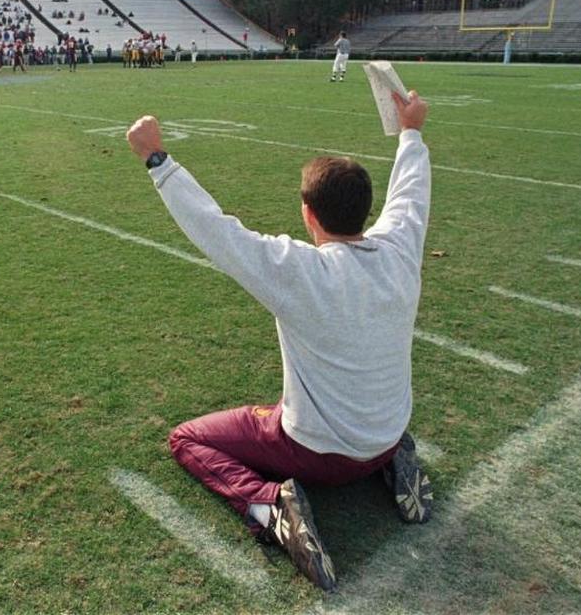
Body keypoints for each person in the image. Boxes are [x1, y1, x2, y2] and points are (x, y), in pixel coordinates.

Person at [124, 90, 433, 593]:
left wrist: (156, 159)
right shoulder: (401, 249)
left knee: (188, 438)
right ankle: (394, 460)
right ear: (365, 208)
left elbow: (217, 231)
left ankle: (270, 507)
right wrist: (411, 132)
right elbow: (412, 195)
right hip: (388, 432)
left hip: (317, 455)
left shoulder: (301, 270)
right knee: (309, 406)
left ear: (309, 214)